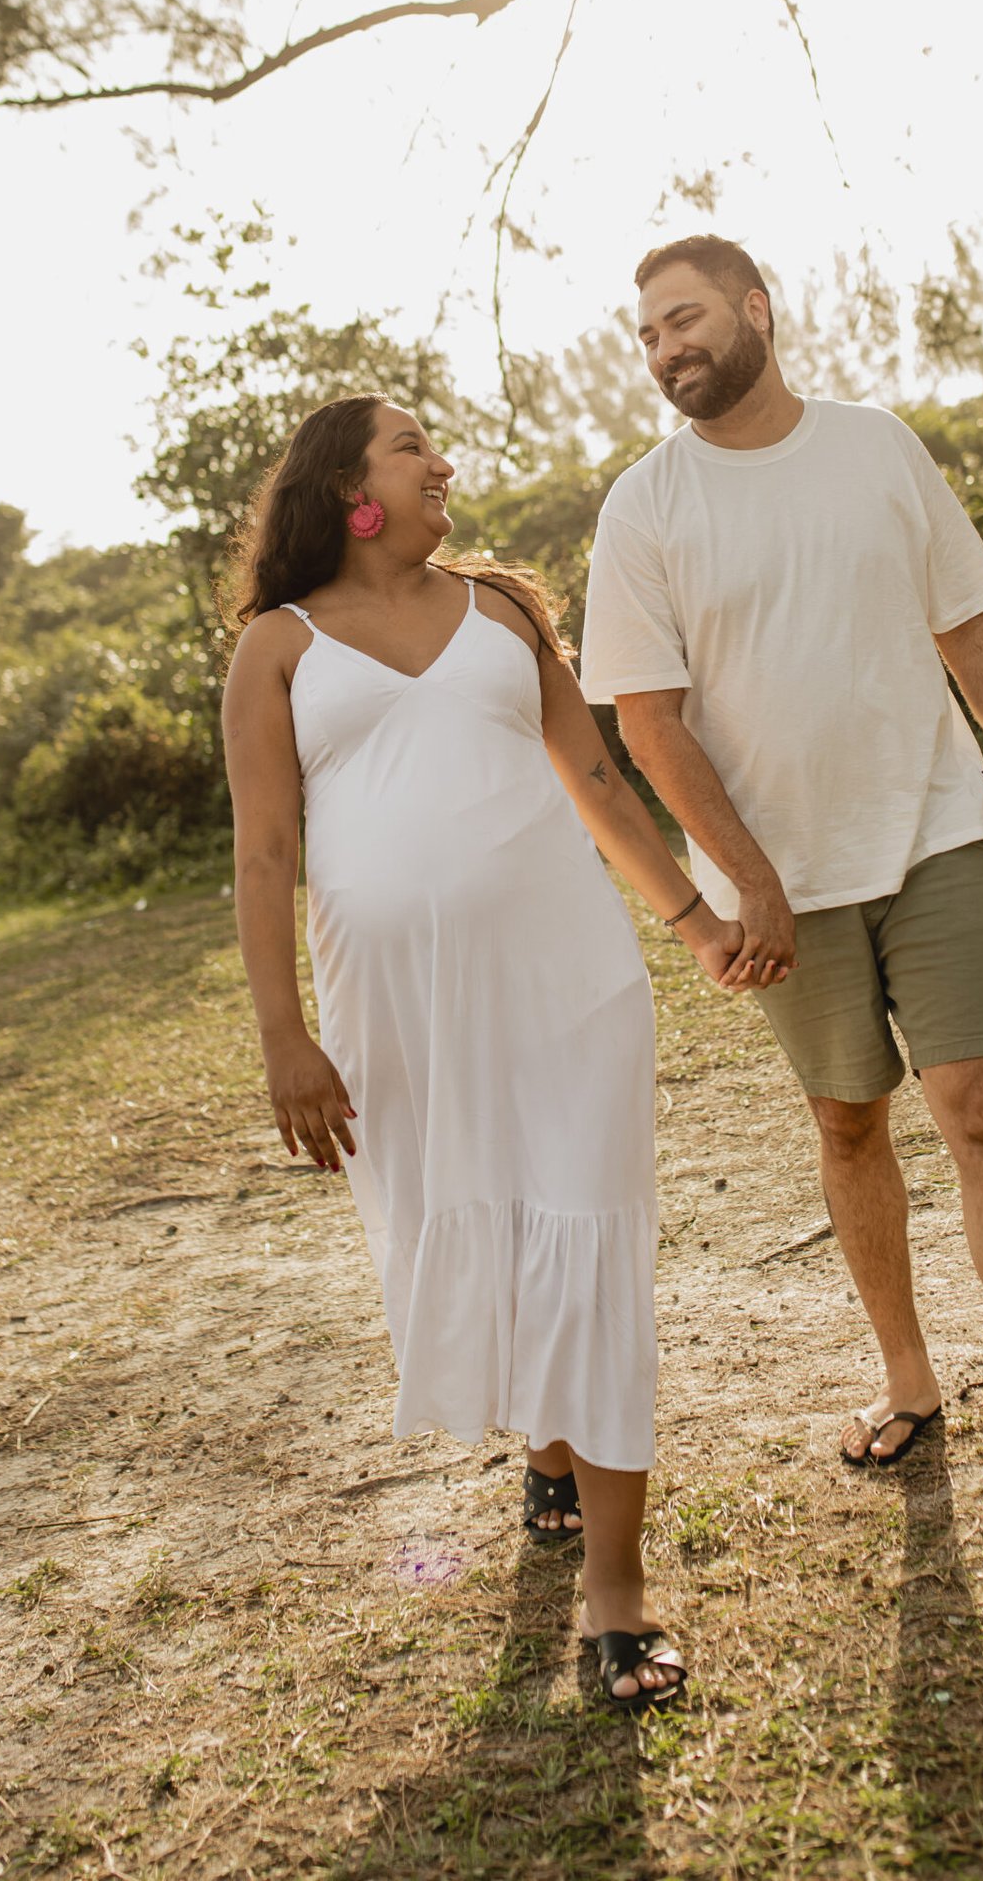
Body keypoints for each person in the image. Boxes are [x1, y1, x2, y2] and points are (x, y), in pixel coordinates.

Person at [579, 236, 983, 1525]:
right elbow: (647, 723)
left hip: (930, 832)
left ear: (754, 308)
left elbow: (967, 625)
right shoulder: (645, 507)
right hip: (780, 887)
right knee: (848, 1121)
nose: (666, 349)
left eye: (684, 319)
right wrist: (749, 881)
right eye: (648, 335)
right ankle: (909, 1379)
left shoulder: (877, 447)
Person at [220, 393, 748, 1705]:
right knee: (492, 1235)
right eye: (413, 447)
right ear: (352, 493)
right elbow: (267, 852)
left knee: (590, 1241)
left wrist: (694, 923)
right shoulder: (278, 650)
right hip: (399, 1016)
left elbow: (598, 782)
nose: (443, 462)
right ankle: (551, 1451)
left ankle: (616, 1596)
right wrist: (284, 1036)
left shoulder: (503, 613)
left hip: (568, 982)